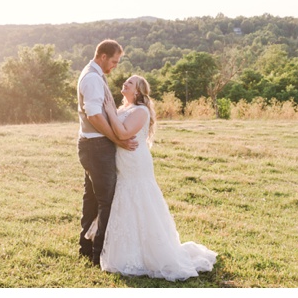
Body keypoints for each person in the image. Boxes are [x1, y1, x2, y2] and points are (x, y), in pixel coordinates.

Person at [89, 75, 217, 281]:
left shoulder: (141, 111)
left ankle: (151, 251)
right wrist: (112, 112)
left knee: (140, 199)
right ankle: (128, 250)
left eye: (129, 83)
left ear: (137, 91)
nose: (125, 84)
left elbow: (123, 134)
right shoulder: (122, 109)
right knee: (124, 199)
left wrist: (111, 112)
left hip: (136, 162)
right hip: (121, 162)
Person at [76, 40, 137, 265]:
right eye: (113, 61)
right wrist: (116, 139)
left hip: (92, 145)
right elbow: (93, 115)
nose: (115, 66)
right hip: (96, 147)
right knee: (106, 200)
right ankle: (99, 254)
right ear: (102, 56)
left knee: (92, 198)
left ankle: (87, 247)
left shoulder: (94, 74)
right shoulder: (92, 78)